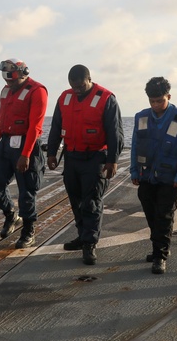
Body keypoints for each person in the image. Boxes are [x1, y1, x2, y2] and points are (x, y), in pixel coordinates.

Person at [46, 65, 123, 265]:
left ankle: (90, 243)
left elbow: (115, 133)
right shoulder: (64, 97)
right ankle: (82, 236)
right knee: (76, 200)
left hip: (95, 157)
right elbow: (56, 126)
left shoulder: (106, 99)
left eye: (80, 86)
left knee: (91, 202)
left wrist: (112, 160)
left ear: (89, 79)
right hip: (71, 157)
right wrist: (52, 153)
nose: (77, 90)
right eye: (73, 86)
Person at [130, 77, 177, 274]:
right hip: (147, 177)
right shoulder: (141, 117)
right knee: (152, 215)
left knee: (163, 216)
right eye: (152, 101)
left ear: (169, 96)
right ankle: (157, 247)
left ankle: (160, 256)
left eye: (160, 100)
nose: (156, 105)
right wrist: (134, 170)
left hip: (171, 179)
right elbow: (135, 145)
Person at [0, 59, 48, 248]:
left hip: (26, 144)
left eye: (12, 78)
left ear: (22, 73)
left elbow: (35, 127)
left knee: (26, 191)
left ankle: (28, 230)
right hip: (5, 144)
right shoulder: (5, 90)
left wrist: (26, 154)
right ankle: (11, 214)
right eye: (6, 79)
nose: (9, 83)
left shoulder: (38, 91)